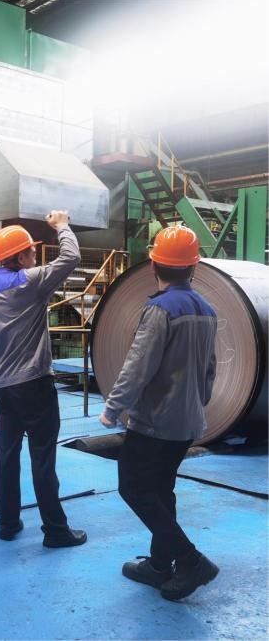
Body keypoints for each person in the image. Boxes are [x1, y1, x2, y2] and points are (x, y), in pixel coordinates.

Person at [99, 225, 219, 601]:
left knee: (133, 487)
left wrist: (113, 407)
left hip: (155, 422)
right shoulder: (208, 310)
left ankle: (191, 560)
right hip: (188, 422)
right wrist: (197, 401)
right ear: (193, 267)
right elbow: (210, 368)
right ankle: (159, 565)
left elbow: (138, 365)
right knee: (161, 490)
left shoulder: (160, 309)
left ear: (154, 265)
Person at [0, 211, 87, 548]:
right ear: (20, 257)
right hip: (35, 384)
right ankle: (55, 530)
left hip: (2, 387)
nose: (35, 256)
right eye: (32, 252)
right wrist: (61, 225)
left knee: (6, 455)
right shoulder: (32, 281)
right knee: (42, 457)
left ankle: (8, 524)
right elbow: (71, 257)